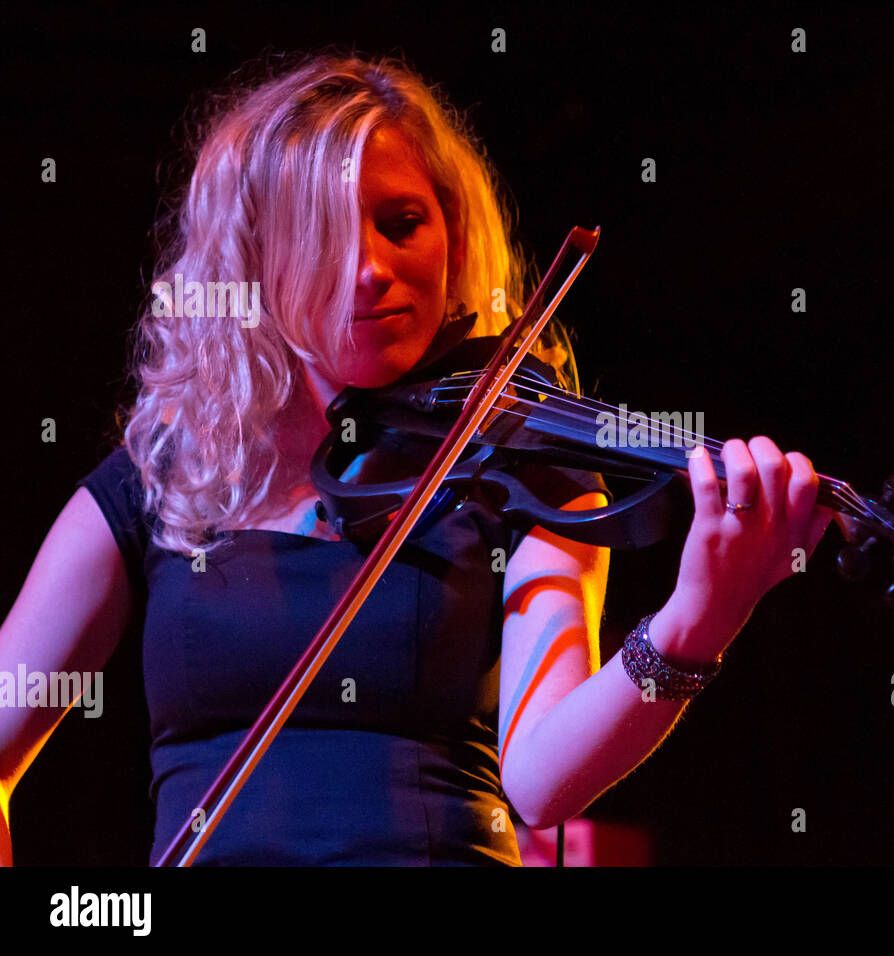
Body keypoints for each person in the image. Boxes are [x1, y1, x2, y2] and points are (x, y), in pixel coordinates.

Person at [0, 52, 830, 866]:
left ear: (452, 236)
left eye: (402, 225)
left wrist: (696, 620)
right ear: (254, 259)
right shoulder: (162, 479)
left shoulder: (517, 459)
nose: (371, 269)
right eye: (323, 236)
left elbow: (542, 781)